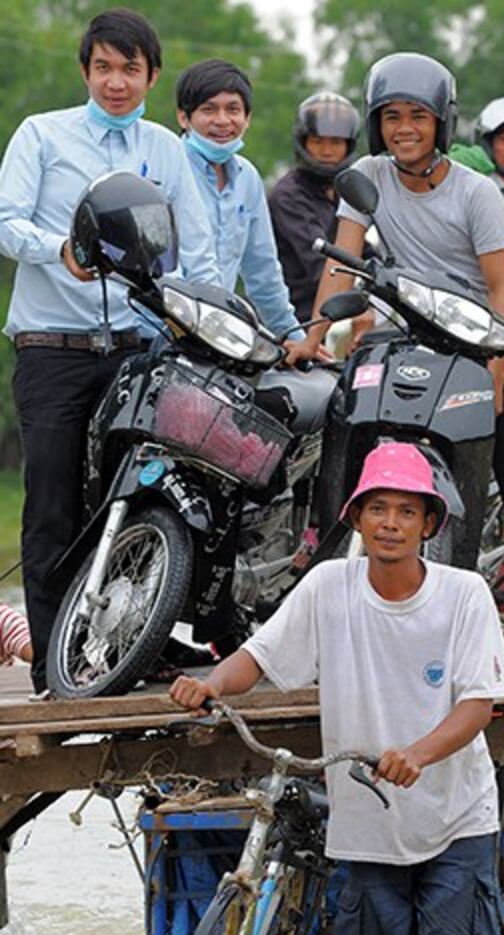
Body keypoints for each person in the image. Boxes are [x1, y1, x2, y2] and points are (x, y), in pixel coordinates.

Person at [169, 441, 504, 935]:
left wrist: (417, 753)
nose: (390, 523)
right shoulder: (330, 586)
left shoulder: (463, 595)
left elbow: (480, 704)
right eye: (377, 508)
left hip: (455, 813)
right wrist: (213, 683)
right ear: (356, 518)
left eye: (406, 512)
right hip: (365, 818)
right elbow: (264, 656)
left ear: (428, 525)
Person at [293, 51, 504, 672]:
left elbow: (502, 289)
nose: (404, 128)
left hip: (478, 342)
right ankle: (319, 612)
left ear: (443, 122)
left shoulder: (477, 192)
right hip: (405, 336)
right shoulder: (368, 177)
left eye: (418, 116)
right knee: (344, 440)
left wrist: (496, 366)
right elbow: (340, 264)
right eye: (391, 117)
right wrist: (313, 331)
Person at [0, 8, 220, 698]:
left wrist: (201, 323)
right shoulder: (43, 135)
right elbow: (6, 221)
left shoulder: (166, 149)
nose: (115, 81)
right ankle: (49, 672)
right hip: (53, 351)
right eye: (103, 67)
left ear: (152, 75)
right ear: (86, 71)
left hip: (141, 352)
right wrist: (56, 251)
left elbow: (199, 249)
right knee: (55, 507)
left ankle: (129, 649)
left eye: (129, 68)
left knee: (143, 500)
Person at [176, 59, 313, 363]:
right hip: (166, 333)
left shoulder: (248, 177)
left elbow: (262, 271)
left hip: (217, 338)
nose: (222, 120)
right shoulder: (168, 165)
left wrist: (294, 336)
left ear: (247, 118)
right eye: (209, 110)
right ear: (184, 117)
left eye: (233, 110)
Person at [268, 92, 361, 324]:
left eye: (336, 142)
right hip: (303, 321)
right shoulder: (289, 195)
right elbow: (323, 265)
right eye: (318, 141)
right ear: (304, 142)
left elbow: (363, 249)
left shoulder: (344, 190)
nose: (327, 151)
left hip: (342, 310)